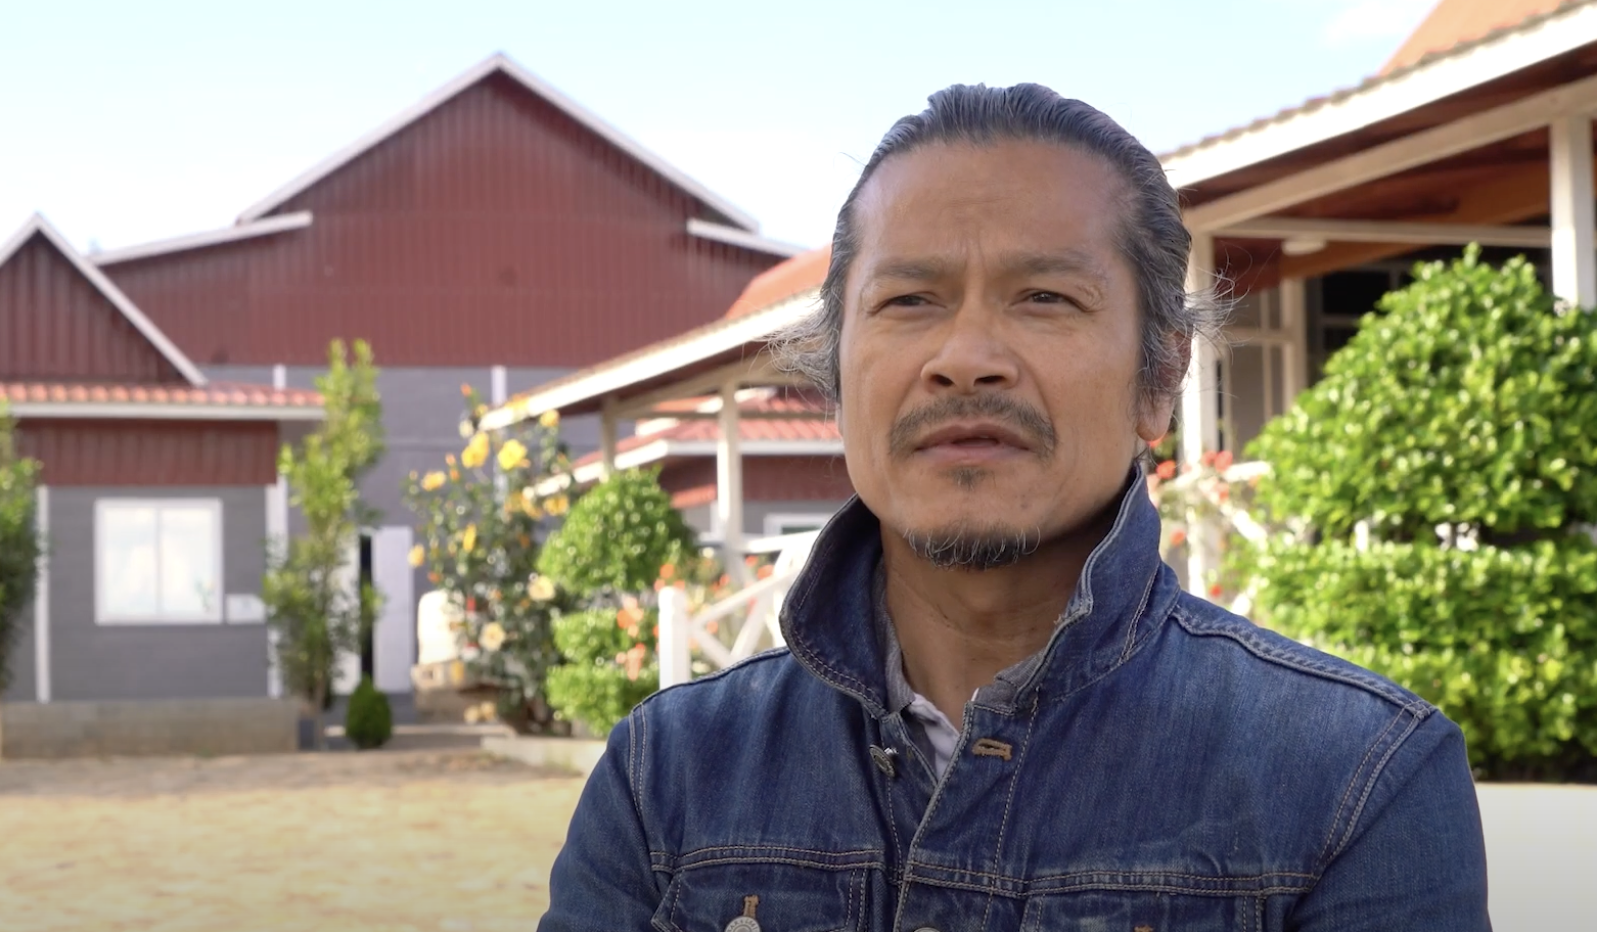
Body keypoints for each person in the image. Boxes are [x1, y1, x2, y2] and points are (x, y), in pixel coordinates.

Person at [540, 83, 1489, 931]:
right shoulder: (667, 777)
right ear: (835, 381)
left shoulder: (1353, 781)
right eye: (909, 299)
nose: (965, 355)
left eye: (1044, 297)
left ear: (1159, 380)